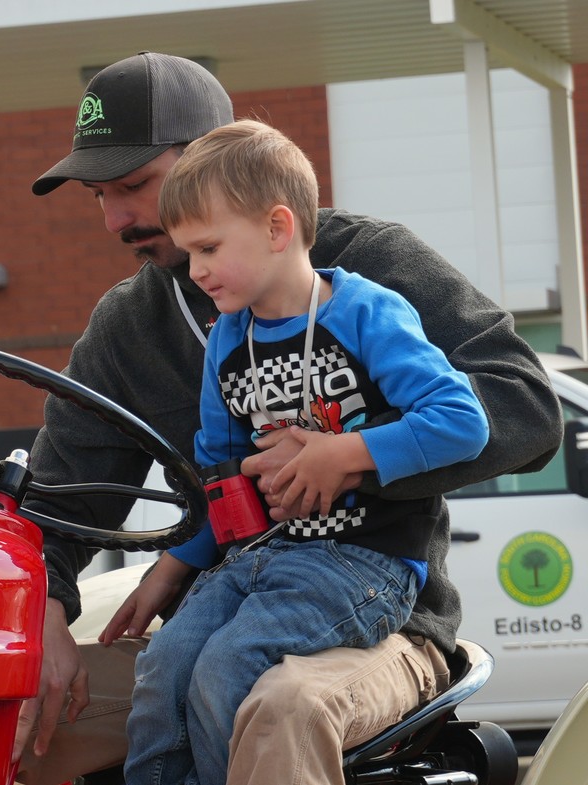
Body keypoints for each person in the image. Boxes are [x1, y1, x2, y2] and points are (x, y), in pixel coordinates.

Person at [13, 52, 562, 785]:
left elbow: (523, 403)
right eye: (98, 195)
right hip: (234, 602)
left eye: (134, 186)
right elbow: (61, 499)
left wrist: (353, 455)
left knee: (279, 703)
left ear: (214, 155)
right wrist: (43, 604)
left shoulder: (366, 269)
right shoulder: (129, 324)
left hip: (382, 617)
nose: (116, 218)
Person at [116, 118, 489, 785]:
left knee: (230, 664)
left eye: (207, 248)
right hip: (267, 558)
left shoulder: (367, 313)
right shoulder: (229, 341)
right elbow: (221, 483)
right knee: (165, 663)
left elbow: (463, 421)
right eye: (187, 252)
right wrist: (169, 570)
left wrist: (345, 452)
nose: (194, 270)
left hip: (363, 563)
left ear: (277, 228)